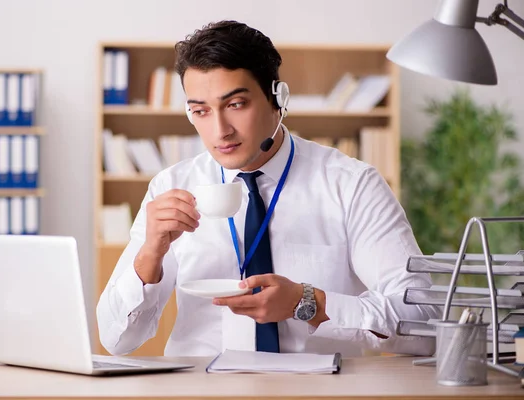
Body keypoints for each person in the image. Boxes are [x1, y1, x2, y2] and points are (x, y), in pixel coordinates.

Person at [96, 20, 440, 357]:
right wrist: (149, 256)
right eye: (200, 111)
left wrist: (308, 303)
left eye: (235, 105)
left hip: (319, 392)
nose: (219, 131)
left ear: (279, 98)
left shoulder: (351, 185)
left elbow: (425, 324)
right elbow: (117, 340)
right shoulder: (170, 187)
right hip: (202, 390)